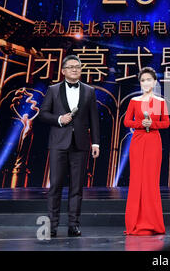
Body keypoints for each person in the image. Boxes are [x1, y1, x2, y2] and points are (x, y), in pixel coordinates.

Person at [39, 55, 100, 237]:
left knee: (77, 187)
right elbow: (43, 114)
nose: (75, 69)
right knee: (55, 185)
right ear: (63, 70)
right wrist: (59, 119)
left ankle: (73, 224)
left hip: (80, 144)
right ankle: (52, 225)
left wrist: (95, 142)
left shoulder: (89, 91)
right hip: (58, 143)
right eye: (71, 67)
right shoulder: (53, 90)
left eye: (78, 67)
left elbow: (94, 119)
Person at [123, 67, 170, 235]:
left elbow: (166, 123)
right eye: (143, 80)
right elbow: (127, 121)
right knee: (137, 180)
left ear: (155, 82)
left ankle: (152, 222)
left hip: (153, 142)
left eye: (149, 79)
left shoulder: (160, 102)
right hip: (138, 140)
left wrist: (153, 124)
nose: (146, 83)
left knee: (151, 181)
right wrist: (141, 124)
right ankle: (134, 222)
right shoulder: (134, 101)